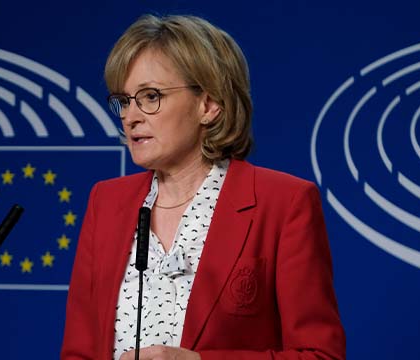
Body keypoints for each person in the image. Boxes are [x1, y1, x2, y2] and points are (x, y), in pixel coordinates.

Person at [61, 14, 345, 360]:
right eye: (124, 100)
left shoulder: (284, 203)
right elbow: (79, 353)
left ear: (209, 105)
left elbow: (320, 355)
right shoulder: (106, 202)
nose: (130, 116)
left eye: (150, 96)